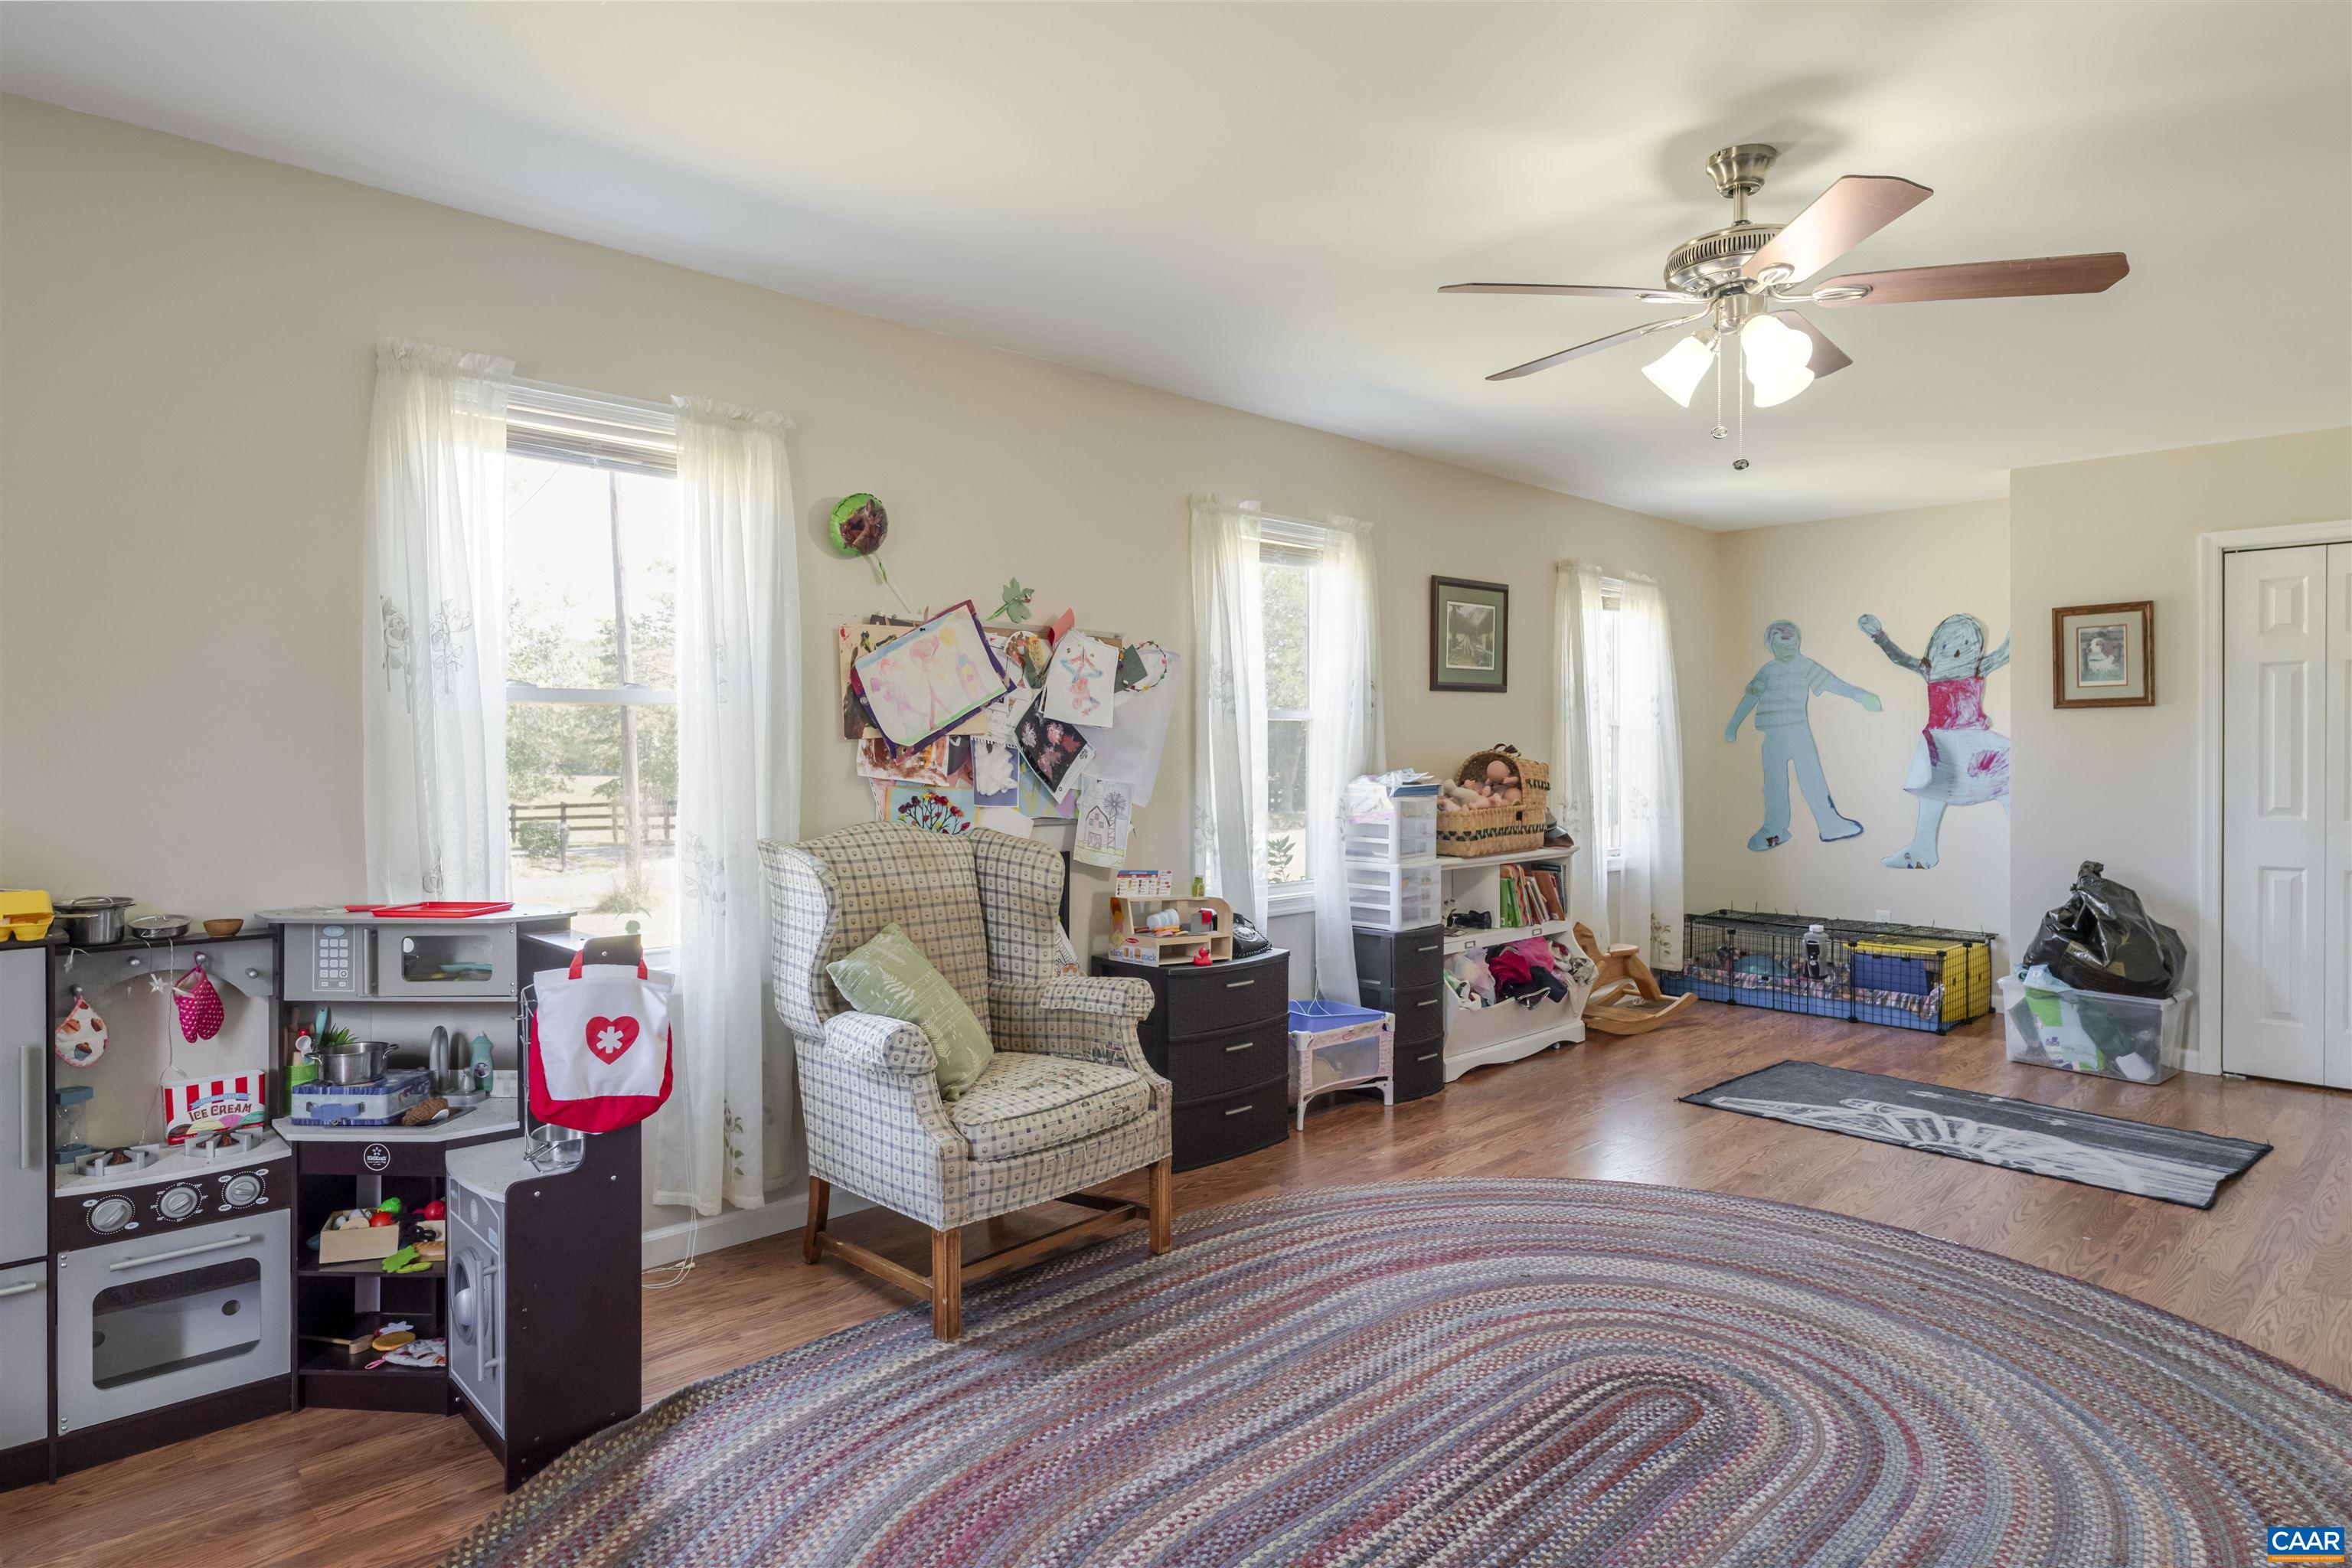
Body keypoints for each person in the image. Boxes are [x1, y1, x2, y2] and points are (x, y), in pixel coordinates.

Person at [1859, 611, 2011, 870]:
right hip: (1942, 742)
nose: (1955, 651)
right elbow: (1899, 658)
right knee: (1933, 791)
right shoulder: (1929, 671)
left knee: (2010, 778)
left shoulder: (1976, 668)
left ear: (1974, 648)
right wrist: (1879, 636)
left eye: (1965, 645)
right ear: (1934, 648)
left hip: (1973, 740)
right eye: (1945, 645)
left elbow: (2005, 652)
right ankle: (1923, 848)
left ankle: (2029, 835)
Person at [1724, 619, 1880, 851]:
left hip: (1799, 730)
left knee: (1812, 777)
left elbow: (1831, 683)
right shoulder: (1768, 671)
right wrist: (1733, 725)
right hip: (1773, 734)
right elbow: (1750, 697)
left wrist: (1859, 695)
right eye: (1780, 636)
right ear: (1771, 644)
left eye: (1791, 635)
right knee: (1774, 783)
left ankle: (1830, 823)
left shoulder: (1805, 666)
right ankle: (1775, 829)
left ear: (1798, 641)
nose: (1786, 638)